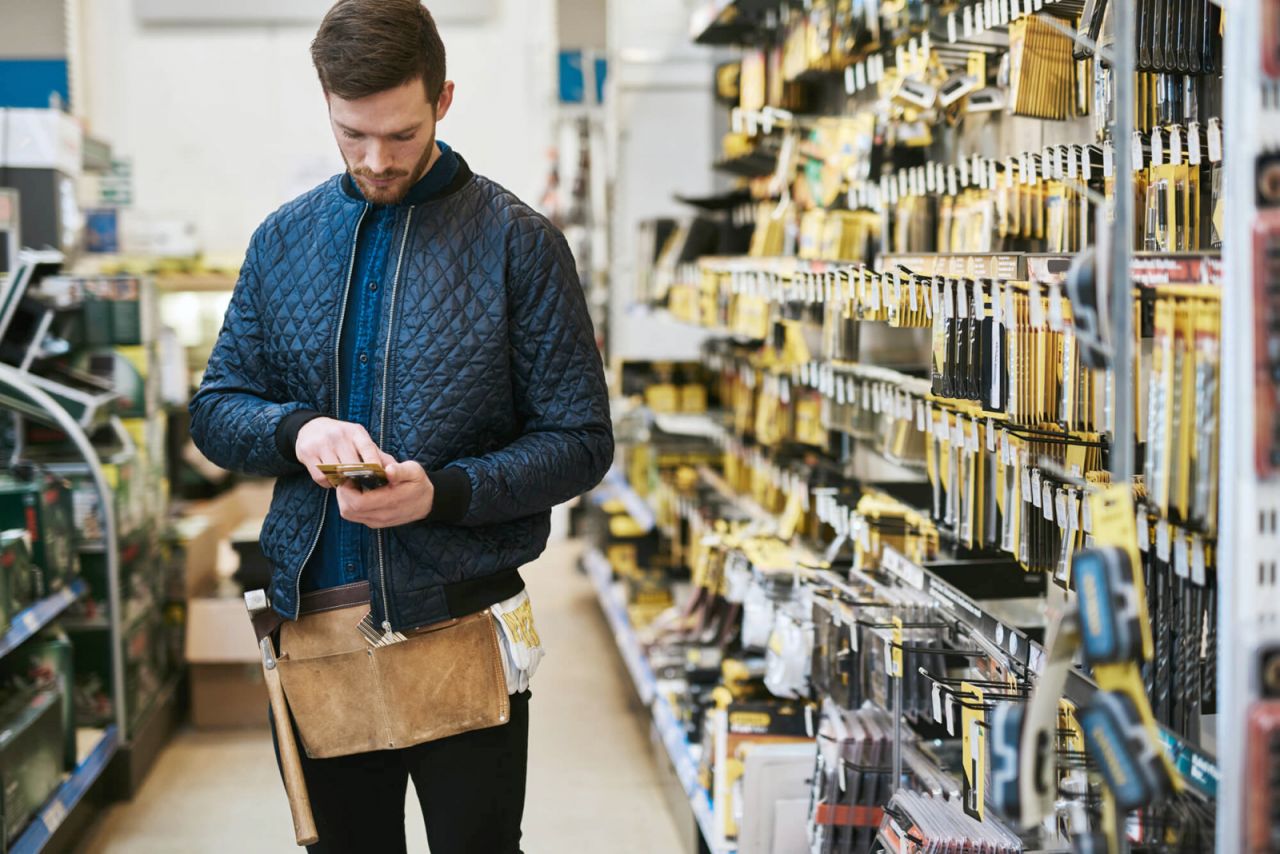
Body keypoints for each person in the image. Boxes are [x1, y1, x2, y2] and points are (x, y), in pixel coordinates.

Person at [187, 1, 613, 851]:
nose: (377, 160)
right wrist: (296, 431)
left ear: (443, 99)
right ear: (326, 103)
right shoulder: (283, 241)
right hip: (315, 626)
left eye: (402, 135)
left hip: (461, 620)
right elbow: (215, 408)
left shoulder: (519, 245)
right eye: (354, 136)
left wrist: (444, 494)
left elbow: (578, 442)